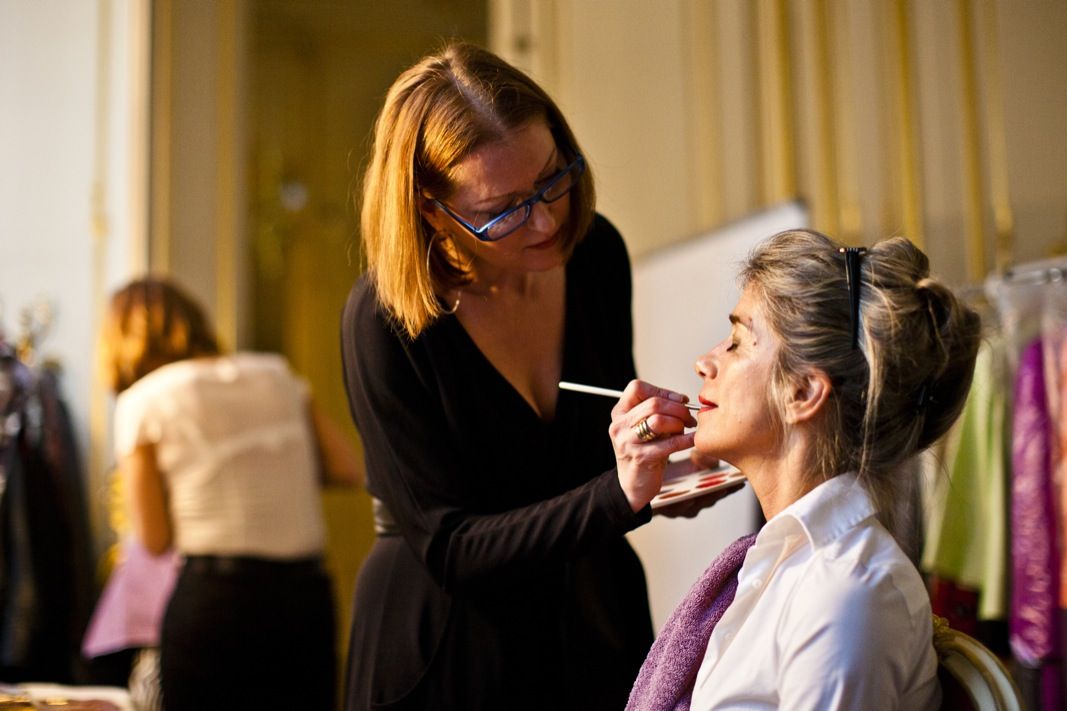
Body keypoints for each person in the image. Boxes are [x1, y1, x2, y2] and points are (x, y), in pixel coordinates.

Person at [340, 41, 714, 710]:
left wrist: (666, 470)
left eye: (551, 179)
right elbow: (449, 547)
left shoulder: (595, 253)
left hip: (591, 624)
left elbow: (597, 465)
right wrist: (619, 493)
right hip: (448, 647)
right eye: (503, 208)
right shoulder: (385, 318)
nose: (545, 220)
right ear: (430, 209)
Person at [619, 229, 982, 709]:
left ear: (803, 393)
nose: (704, 363)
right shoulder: (777, 565)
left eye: (737, 342)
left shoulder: (847, 593)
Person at [99, 277, 362, 710]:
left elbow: (154, 538)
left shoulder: (141, 402)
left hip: (215, 602)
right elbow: (346, 468)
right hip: (303, 596)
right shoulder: (276, 375)